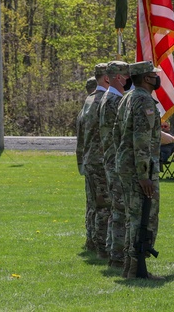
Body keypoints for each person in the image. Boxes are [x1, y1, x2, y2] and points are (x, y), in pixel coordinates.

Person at [116, 61, 163, 280]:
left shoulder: (127, 98)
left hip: (127, 164)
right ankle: (136, 269)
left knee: (133, 216)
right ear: (146, 78)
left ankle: (130, 267)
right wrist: (144, 175)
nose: (157, 78)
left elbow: (120, 135)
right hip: (140, 168)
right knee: (144, 217)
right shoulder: (143, 100)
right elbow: (141, 140)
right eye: (154, 75)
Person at [98, 61, 130, 268]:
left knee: (116, 208)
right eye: (126, 75)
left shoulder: (109, 97)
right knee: (120, 209)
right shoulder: (113, 101)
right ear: (118, 77)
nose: (128, 79)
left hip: (112, 159)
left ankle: (113, 250)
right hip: (116, 161)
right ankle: (117, 255)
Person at [76, 63, 108, 254]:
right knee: (104, 205)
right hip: (100, 160)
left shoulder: (88, 102)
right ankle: (102, 246)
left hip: (90, 159)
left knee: (93, 204)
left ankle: (92, 240)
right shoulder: (101, 101)